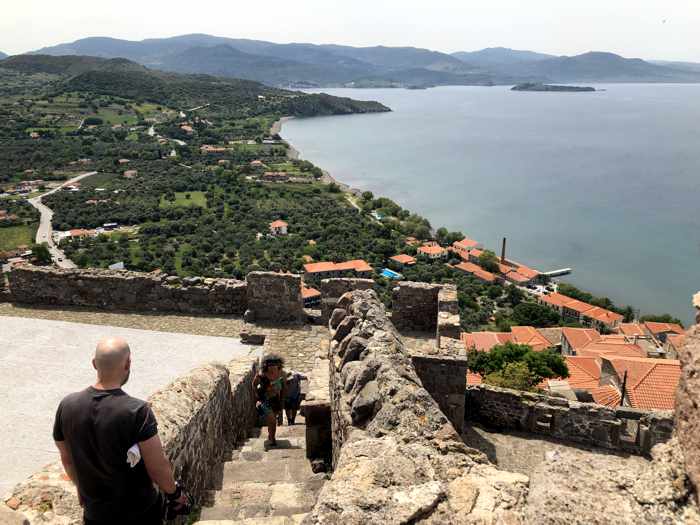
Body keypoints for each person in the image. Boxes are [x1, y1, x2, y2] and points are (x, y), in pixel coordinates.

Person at [53, 336, 189, 525]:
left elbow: (67, 459)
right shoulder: (137, 411)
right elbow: (158, 466)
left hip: (96, 514)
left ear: (94, 364)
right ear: (128, 364)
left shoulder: (66, 406)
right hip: (139, 513)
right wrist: (175, 494)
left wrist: (82, 489)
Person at [253, 354, 286, 446]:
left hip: (276, 400)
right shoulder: (261, 375)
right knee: (271, 418)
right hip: (264, 400)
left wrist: (282, 403)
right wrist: (257, 395)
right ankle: (272, 438)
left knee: (271, 420)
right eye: (270, 366)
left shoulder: (282, 375)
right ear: (266, 366)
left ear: (278, 366)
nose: (272, 369)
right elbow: (254, 384)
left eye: (275, 366)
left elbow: (284, 390)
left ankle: (271, 435)